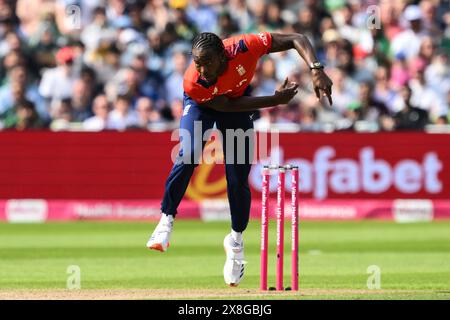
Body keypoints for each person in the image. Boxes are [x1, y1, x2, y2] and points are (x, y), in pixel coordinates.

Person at [146, 31, 333, 287]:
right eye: (197, 62)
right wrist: (274, 101)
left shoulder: (247, 46)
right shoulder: (194, 81)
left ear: (223, 57)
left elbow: (297, 38)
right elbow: (223, 107)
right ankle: (166, 220)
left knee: (237, 178)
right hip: (207, 105)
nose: (200, 69)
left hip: (237, 103)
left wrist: (316, 68)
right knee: (188, 153)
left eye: (206, 63)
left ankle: (235, 242)